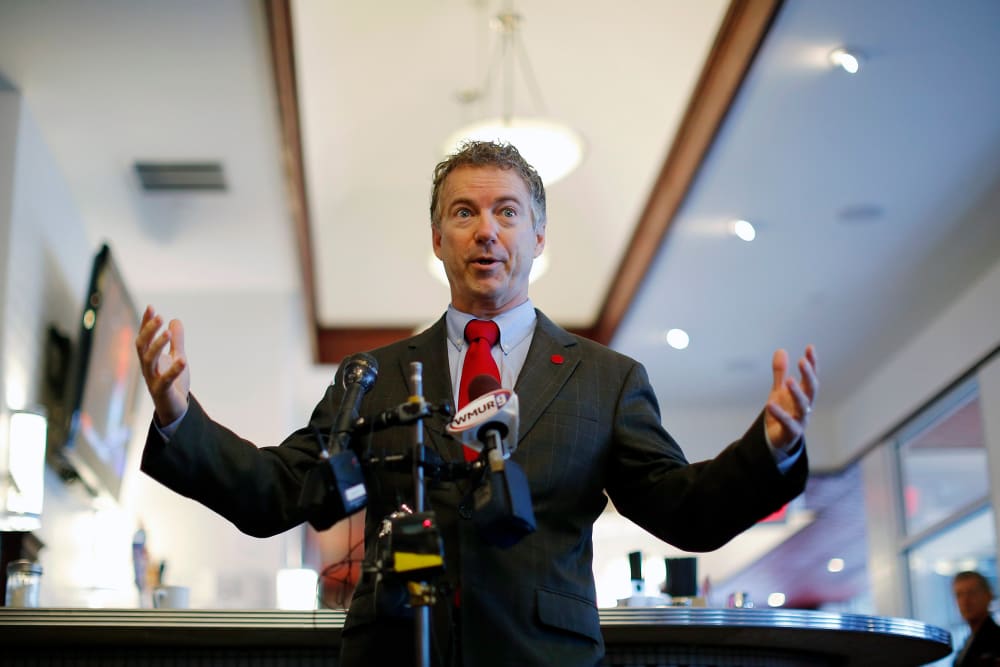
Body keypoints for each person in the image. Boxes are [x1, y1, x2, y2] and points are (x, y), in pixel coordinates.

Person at [135, 140, 818, 667]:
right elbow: (279, 492)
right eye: (464, 212)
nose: (486, 230)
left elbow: (685, 510)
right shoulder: (372, 375)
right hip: (397, 651)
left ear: (537, 238)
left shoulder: (606, 379)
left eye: (507, 212)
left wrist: (773, 448)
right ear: (438, 240)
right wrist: (178, 416)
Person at [953, 570, 1000, 666]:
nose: (965, 601)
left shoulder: (996, 641)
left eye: (972, 593)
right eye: (959, 595)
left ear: (988, 595)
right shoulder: (968, 642)